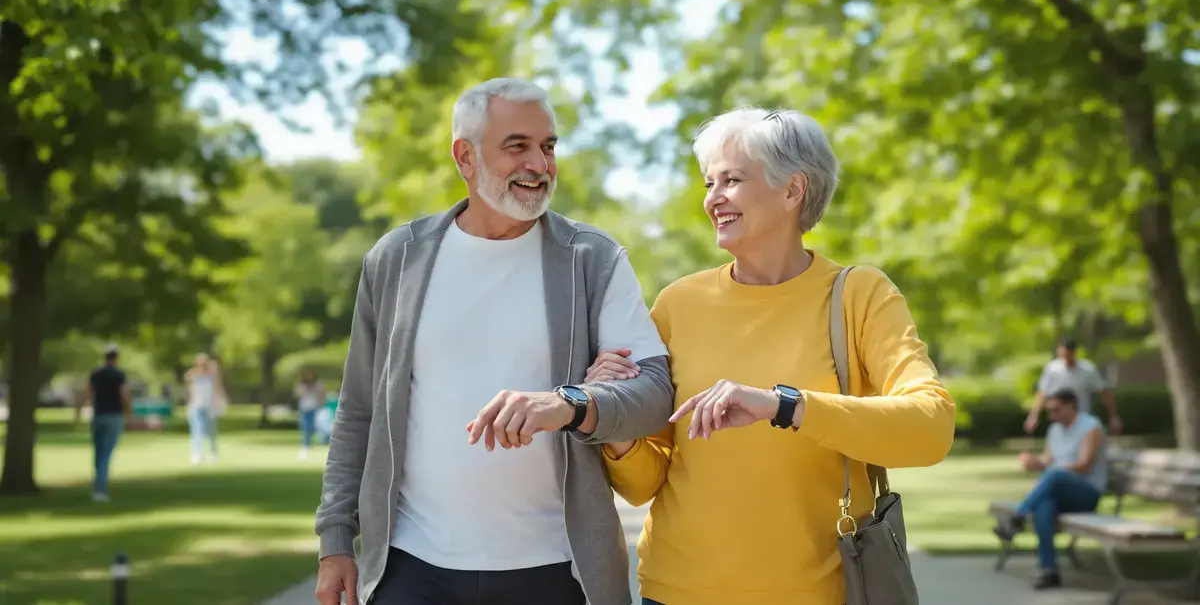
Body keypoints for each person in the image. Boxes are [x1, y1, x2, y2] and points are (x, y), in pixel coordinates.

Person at [313, 78, 673, 605]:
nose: (539, 163)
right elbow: (359, 411)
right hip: (413, 568)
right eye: (517, 146)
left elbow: (657, 394)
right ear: (465, 156)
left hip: (558, 569)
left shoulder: (592, 259)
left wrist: (572, 402)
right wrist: (336, 539)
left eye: (548, 147)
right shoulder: (397, 259)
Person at [584, 107, 957, 605]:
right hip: (677, 592)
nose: (713, 199)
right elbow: (645, 482)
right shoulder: (678, 303)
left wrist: (784, 405)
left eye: (732, 180)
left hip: (819, 594)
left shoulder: (859, 296)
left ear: (792, 190)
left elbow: (930, 427)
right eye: (708, 183)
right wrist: (615, 419)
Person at [996, 388, 1107, 590]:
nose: (1052, 415)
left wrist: (1051, 470)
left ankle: (1017, 518)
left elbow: (1085, 465)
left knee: (1054, 476)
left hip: (1087, 493)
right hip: (1059, 492)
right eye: (1049, 411)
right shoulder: (1054, 430)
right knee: (1044, 507)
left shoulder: (1091, 427)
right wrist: (1035, 463)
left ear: (1071, 406)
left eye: (1056, 410)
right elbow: (1047, 463)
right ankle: (1050, 571)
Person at [1024, 338, 1121, 435]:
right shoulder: (1052, 369)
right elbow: (1042, 393)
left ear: (1074, 352)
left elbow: (1104, 393)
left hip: (1082, 419)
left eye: (1068, 353)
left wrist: (1113, 416)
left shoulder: (1087, 369)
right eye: (1063, 353)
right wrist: (1033, 416)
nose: (1066, 357)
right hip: (1060, 420)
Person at [86, 344, 131, 502]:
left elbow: (88, 393)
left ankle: (97, 485)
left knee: (98, 453)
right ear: (116, 357)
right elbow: (124, 394)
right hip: (113, 415)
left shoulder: (96, 374)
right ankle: (100, 489)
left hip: (98, 415)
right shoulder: (119, 375)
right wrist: (128, 411)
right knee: (106, 454)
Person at [184, 353, 226, 465]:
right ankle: (196, 455)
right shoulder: (194, 375)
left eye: (204, 363)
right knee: (196, 432)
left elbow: (217, 389)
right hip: (196, 407)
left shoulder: (212, 377)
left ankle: (213, 453)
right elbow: (189, 387)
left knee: (211, 433)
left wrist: (219, 404)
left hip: (209, 407)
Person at [294, 367, 324, 459]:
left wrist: (321, 404)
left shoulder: (318, 384)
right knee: (306, 428)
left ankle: (320, 443)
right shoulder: (302, 384)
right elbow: (297, 394)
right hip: (305, 408)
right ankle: (306, 447)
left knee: (316, 427)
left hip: (315, 408)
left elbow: (322, 395)